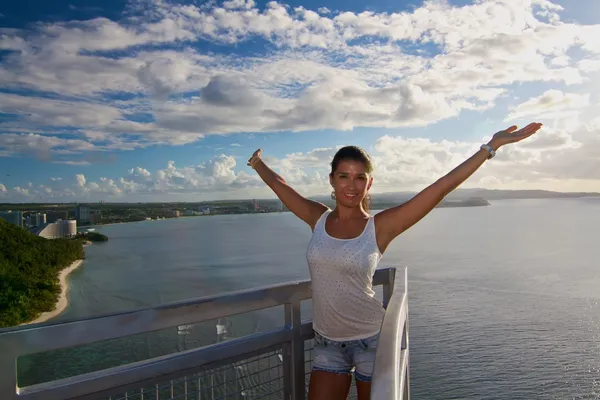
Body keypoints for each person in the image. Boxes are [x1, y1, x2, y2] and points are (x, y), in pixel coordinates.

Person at [247, 122, 543, 400]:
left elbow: (440, 187)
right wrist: (258, 163)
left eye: (360, 177)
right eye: (344, 176)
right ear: (332, 180)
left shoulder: (381, 226)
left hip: (371, 343)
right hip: (327, 343)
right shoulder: (318, 218)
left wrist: (491, 147)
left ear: (369, 183)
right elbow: (280, 185)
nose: (352, 185)